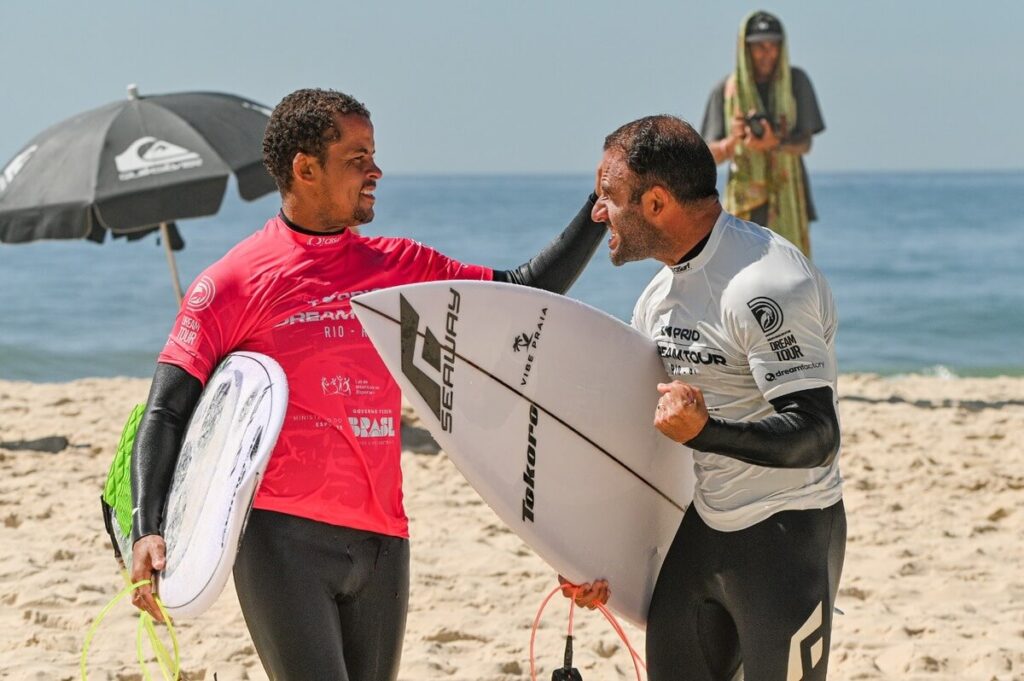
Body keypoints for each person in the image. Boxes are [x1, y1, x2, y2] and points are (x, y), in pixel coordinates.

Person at [127, 88, 607, 681]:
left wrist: (597, 209)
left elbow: (520, 293)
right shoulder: (232, 282)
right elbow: (167, 412)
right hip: (283, 539)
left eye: (373, 155)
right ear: (306, 169)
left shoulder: (399, 268)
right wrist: (146, 527)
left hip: (383, 537)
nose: (376, 170)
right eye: (357, 158)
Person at [566, 114, 845, 681]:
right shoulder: (657, 299)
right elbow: (643, 442)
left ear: (657, 202)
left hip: (788, 534)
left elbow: (817, 435)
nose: (598, 213)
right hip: (705, 528)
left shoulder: (765, 283)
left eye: (608, 197)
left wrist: (706, 432)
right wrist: (594, 559)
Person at [700, 10, 825, 257]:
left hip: (790, 196)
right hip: (745, 200)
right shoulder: (726, 91)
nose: (766, 54)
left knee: (790, 268)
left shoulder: (796, 82)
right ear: (745, 49)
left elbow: (805, 143)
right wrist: (733, 142)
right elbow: (707, 156)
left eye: (773, 46)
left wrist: (775, 142)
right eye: (759, 47)